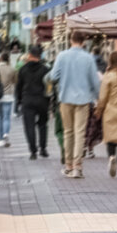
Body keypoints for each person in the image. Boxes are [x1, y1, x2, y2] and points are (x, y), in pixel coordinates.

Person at [50, 33, 101, 178]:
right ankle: (77, 167)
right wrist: (98, 99)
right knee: (80, 133)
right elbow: (95, 82)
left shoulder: (62, 56)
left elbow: (53, 76)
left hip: (65, 98)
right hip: (84, 100)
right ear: (84, 41)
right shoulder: (88, 58)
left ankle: (68, 165)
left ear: (71, 41)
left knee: (68, 132)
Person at [15, 45, 51, 160]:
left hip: (28, 100)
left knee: (29, 126)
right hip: (42, 100)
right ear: (39, 56)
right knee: (42, 125)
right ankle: (43, 148)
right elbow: (49, 87)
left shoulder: (23, 70)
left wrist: (18, 102)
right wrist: (49, 100)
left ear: (29, 55)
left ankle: (33, 151)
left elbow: (18, 88)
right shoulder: (45, 69)